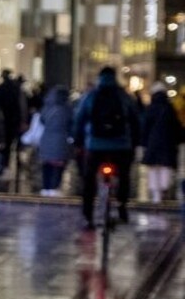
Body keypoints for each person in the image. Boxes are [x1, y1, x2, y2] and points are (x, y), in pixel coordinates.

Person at [72, 66, 139, 228]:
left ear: (99, 77)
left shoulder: (91, 95)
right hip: (121, 145)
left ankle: (88, 213)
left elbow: (79, 120)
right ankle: (122, 207)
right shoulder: (124, 96)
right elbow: (136, 121)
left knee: (89, 178)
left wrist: (78, 142)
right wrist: (134, 143)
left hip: (95, 145)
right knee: (124, 175)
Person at [141, 82, 182, 204]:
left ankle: (156, 195)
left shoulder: (150, 108)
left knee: (153, 168)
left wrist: (143, 144)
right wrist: (178, 140)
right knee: (165, 166)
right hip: (168, 143)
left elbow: (145, 127)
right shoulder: (170, 108)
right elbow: (176, 127)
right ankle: (164, 188)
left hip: (152, 143)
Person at [38, 86, 74, 197]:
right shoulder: (67, 109)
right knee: (58, 165)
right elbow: (71, 123)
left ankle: (46, 187)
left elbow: (42, 120)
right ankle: (54, 187)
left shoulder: (47, 107)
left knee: (47, 164)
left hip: (46, 138)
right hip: (61, 139)